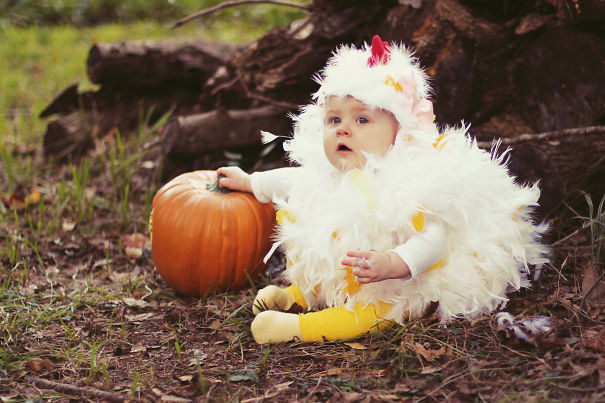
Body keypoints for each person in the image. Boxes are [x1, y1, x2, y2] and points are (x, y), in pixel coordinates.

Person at [217, 35, 549, 344]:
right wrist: (250, 181)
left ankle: (299, 328)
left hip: (394, 286)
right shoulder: (330, 173)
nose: (344, 129)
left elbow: (433, 240)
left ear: (399, 132)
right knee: (321, 265)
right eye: (334, 120)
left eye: (361, 120)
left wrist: (394, 262)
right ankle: (298, 297)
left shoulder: (415, 183)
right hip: (349, 273)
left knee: (372, 313)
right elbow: (294, 182)